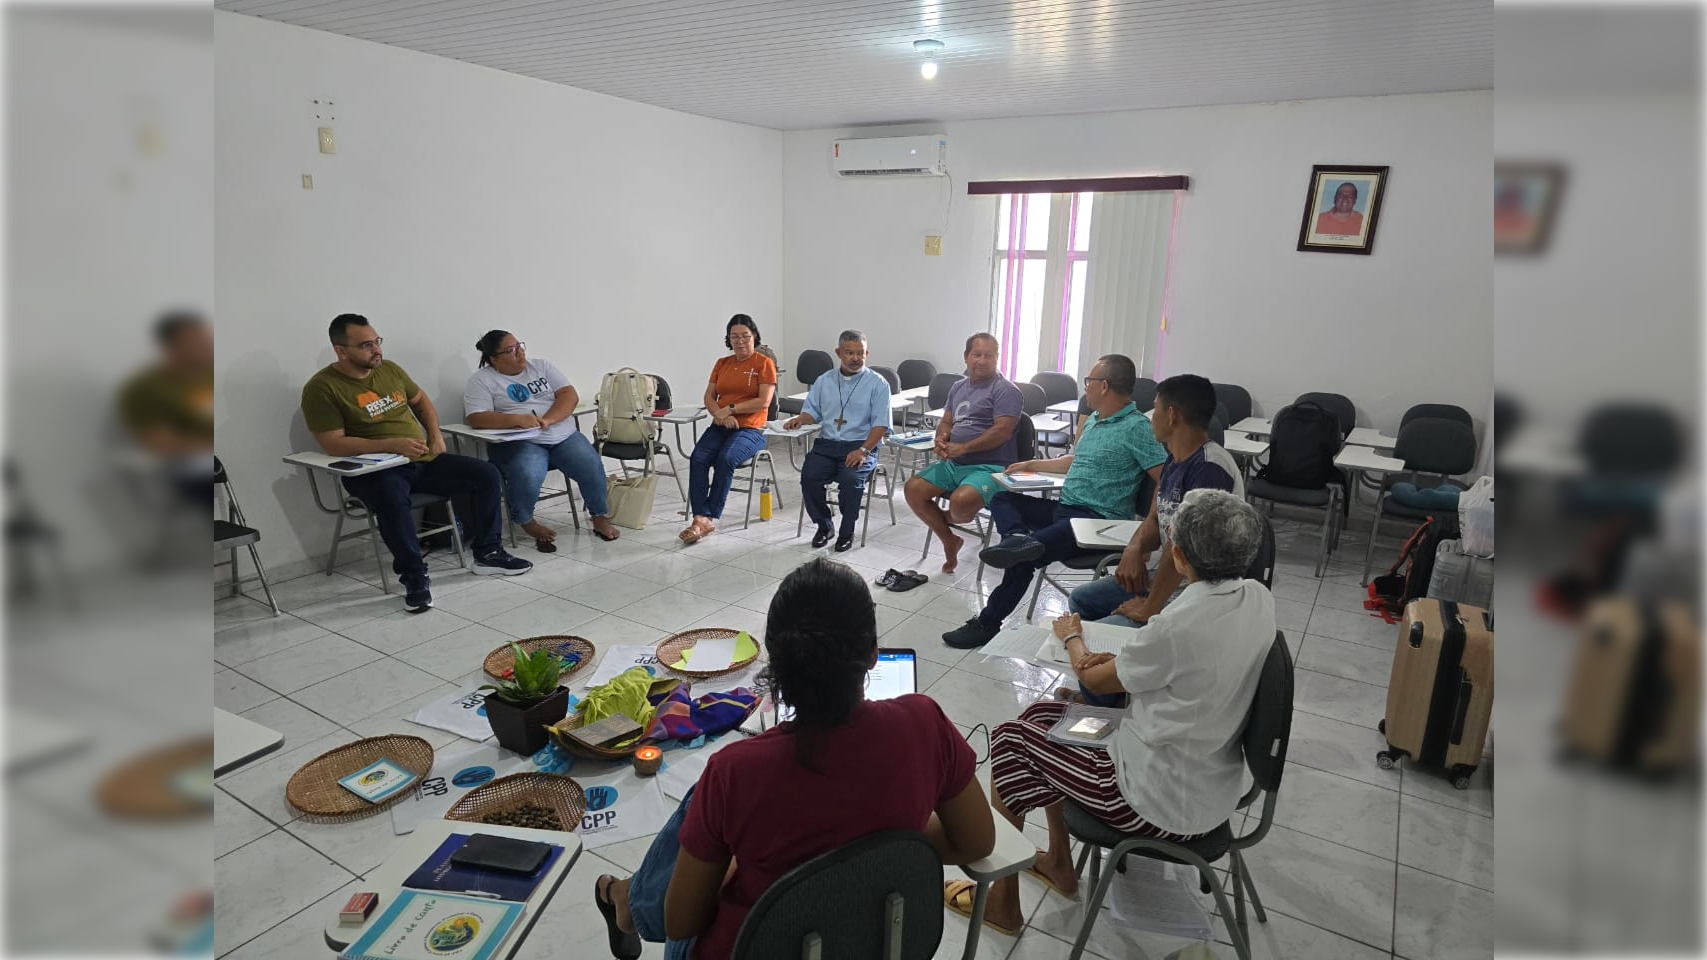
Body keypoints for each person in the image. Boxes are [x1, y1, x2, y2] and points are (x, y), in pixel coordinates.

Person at [592, 559, 996, 960]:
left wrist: (737, 869)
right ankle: (628, 896)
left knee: (705, 801)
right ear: (873, 654)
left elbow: (680, 923)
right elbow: (976, 841)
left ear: (777, 661)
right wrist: (879, 831)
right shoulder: (924, 723)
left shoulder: (736, 771)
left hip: (753, 947)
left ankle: (628, 898)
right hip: (877, 942)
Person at [951, 489, 1274, 936]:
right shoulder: (1257, 598)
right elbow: (1169, 669)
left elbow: (1093, 679)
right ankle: (1060, 864)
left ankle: (1002, 905)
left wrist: (1072, 637)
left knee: (1009, 740)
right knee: (1048, 716)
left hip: (1150, 801)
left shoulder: (1178, 626)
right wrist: (1115, 664)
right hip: (1209, 784)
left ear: (1177, 556)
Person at [301, 314, 532, 613]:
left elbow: (421, 401)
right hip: (375, 470)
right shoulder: (322, 388)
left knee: (485, 474)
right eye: (366, 345)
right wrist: (391, 444)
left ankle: (488, 554)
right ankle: (414, 577)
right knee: (392, 499)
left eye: (377, 341)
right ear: (341, 350)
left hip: (420, 458)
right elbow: (333, 443)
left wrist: (435, 434)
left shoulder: (390, 370)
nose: (376, 350)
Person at [940, 355, 1166, 649]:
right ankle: (1016, 538)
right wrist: (1030, 463)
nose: (1086, 388)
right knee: (1003, 498)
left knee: (1023, 560)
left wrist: (1143, 537)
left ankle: (987, 623)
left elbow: (1164, 479)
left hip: (1098, 522)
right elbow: (1076, 461)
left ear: (1105, 386)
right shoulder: (1096, 419)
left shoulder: (1138, 428)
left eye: (1089, 381)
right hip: (1066, 509)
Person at [1068, 373, 1246, 630]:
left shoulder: (1210, 468)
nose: (1150, 417)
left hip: (1197, 592)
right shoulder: (1175, 459)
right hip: (1164, 575)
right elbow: (1155, 517)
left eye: (1156, 409)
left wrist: (1150, 607)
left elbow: (1183, 545)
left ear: (1172, 415)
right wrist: (1134, 549)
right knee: (1082, 600)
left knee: (1098, 634)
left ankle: (1115, 663)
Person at [462, 330, 620, 551]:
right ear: (493, 358)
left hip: (561, 435)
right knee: (528, 471)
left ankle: (599, 516)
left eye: (519, 346)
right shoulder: (481, 380)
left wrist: (548, 419)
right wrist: (516, 419)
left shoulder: (542, 366)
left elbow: (568, 394)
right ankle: (526, 520)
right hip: (519, 442)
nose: (519, 353)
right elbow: (476, 417)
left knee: (590, 464)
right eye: (511, 350)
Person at [903, 333, 1023, 573]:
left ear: (997, 358)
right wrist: (941, 440)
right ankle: (950, 540)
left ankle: (942, 519)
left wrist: (965, 447)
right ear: (966, 357)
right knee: (913, 489)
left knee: (961, 502)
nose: (982, 360)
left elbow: (1002, 432)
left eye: (989, 355)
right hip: (955, 462)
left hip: (991, 466)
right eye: (976, 354)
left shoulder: (1006, 390)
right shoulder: (958, 387)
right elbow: (947, 421)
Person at [781, 330, 891, 552]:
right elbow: (813, 412)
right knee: (809, 477)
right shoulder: (824, 381)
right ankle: (824, 525)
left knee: (850, 481)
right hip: (827, 445)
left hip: (861, 445)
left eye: (860, 353)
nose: (855, 358)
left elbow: (881, 425)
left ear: (867, 353)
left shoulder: (878, 384)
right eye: (849, 352)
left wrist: (862, 450)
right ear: (838, 353)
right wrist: (800, 419)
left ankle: (846, 531)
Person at [680, 314, 778, 545]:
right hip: (722, 424)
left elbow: (763, 402)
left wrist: (730, 409)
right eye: (734, 337)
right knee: (698, 459)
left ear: (754, 336)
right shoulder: (722, 363)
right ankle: (700, 517)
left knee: (725, 459)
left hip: (753, 429)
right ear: (728, 339)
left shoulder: (764, 363)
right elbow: (709, 396)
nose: (740, 341)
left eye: (745, 335)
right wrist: (720, 415)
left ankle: (707, 518)